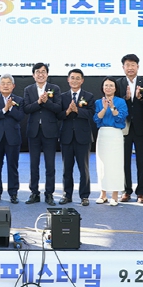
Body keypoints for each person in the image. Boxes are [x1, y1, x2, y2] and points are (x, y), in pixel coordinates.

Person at [23, 62, 62, 206]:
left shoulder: (55, 88)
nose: (40, 74)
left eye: (43, 71)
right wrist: (39, 102)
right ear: (33, 75)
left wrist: (46, 102)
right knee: (34, 164)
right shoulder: (28, 89)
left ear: (47, 74)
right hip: (34, 131)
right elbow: (26, 108)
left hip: (50, 132)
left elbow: (58, 108)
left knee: (50, 165)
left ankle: (49, 194)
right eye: (38, 72)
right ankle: (34, 193)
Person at [117, 54, 143, 204]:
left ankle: (141, 193)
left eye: (133, 65)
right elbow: (114, 102)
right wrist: (125, 98)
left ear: (138, 67)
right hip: (124, 127)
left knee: (142, 161)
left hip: (141, 127)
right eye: (127, 65)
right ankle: (126, 191)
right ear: (123, 67)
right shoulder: (118, 83)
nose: (130, 68)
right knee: (123, 160)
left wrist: (140, 98)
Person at [58, 69, 94, 206]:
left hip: (83, 137)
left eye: (77, 78)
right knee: (66, 169)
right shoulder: (62, 97)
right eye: (72, 78)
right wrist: (68, 111)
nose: (74, 80)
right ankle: (67, 195)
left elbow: (91, 114)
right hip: (66, 137)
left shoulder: (88, 96)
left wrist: (77, 110)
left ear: (82, 80)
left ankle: (84, 196)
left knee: (83, 168)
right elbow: (58, 115)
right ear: (68, 80)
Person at [0, 74, 24, 204]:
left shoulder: (19, 100)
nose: (5, 85)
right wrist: (5, 109)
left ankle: (13, 193)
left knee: (12, 166)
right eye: (3, 83)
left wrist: (11, 108)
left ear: (13, 86)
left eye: (8, 83)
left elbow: (20, 117)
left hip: (13, 137)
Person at [93, 77, 128, 206]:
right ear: (102, 88)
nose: (108, 88)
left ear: (115, 88)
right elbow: (96, 119)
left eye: (111, 85)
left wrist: (112, 107)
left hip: (116, 134)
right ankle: (103, 194)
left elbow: (120, 118)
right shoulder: (98, 102)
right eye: (106, 85)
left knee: (116, 164)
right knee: (102, 164)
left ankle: (115, 195)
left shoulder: (121, 102)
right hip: (103, 133)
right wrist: (104, 108)